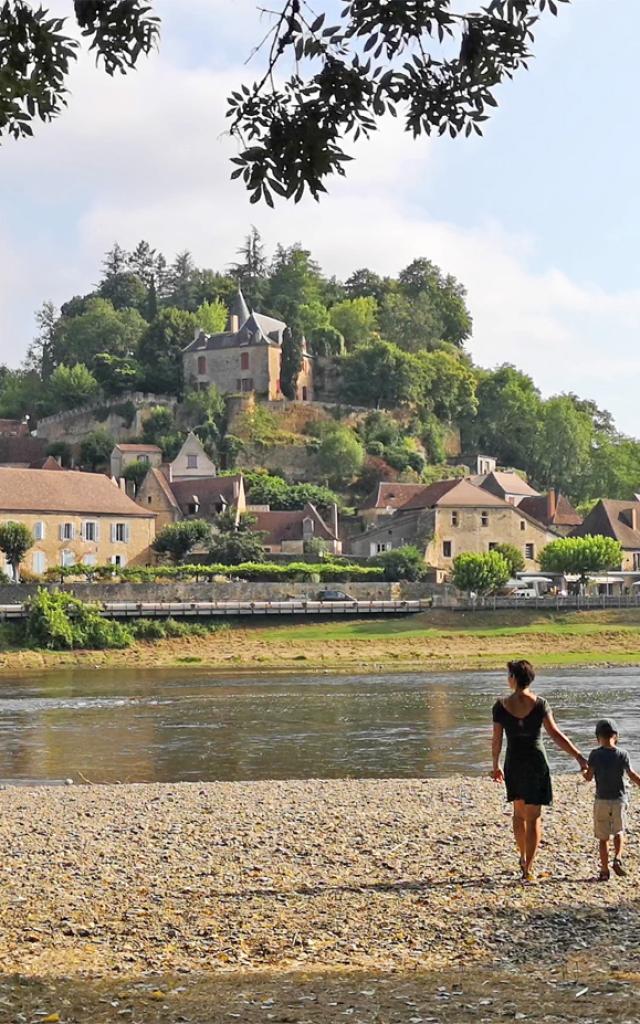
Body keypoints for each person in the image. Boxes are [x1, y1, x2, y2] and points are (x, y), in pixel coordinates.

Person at [491, 659, 587, 880]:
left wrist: (495, 766)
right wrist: (579, 757)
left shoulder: (500, 706)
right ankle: (529, 866)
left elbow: (496, 741)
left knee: (518, 813)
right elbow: (555, 734)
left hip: (514, 761)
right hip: (536, 761)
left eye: (509, 675)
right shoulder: (541, 703)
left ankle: (523, 855)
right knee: (534, 817)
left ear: (514, 678)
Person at [582, 718, 640, 881]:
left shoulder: (595, 754)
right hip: (619, 800)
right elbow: (632, 775)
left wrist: (584, 771)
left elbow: (589, 777)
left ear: (597, 737)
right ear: (616, 736)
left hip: (601, 800)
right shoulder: (623, 754)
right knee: (619, 832)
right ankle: (618, 858)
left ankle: (605, 870)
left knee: (603, 837)